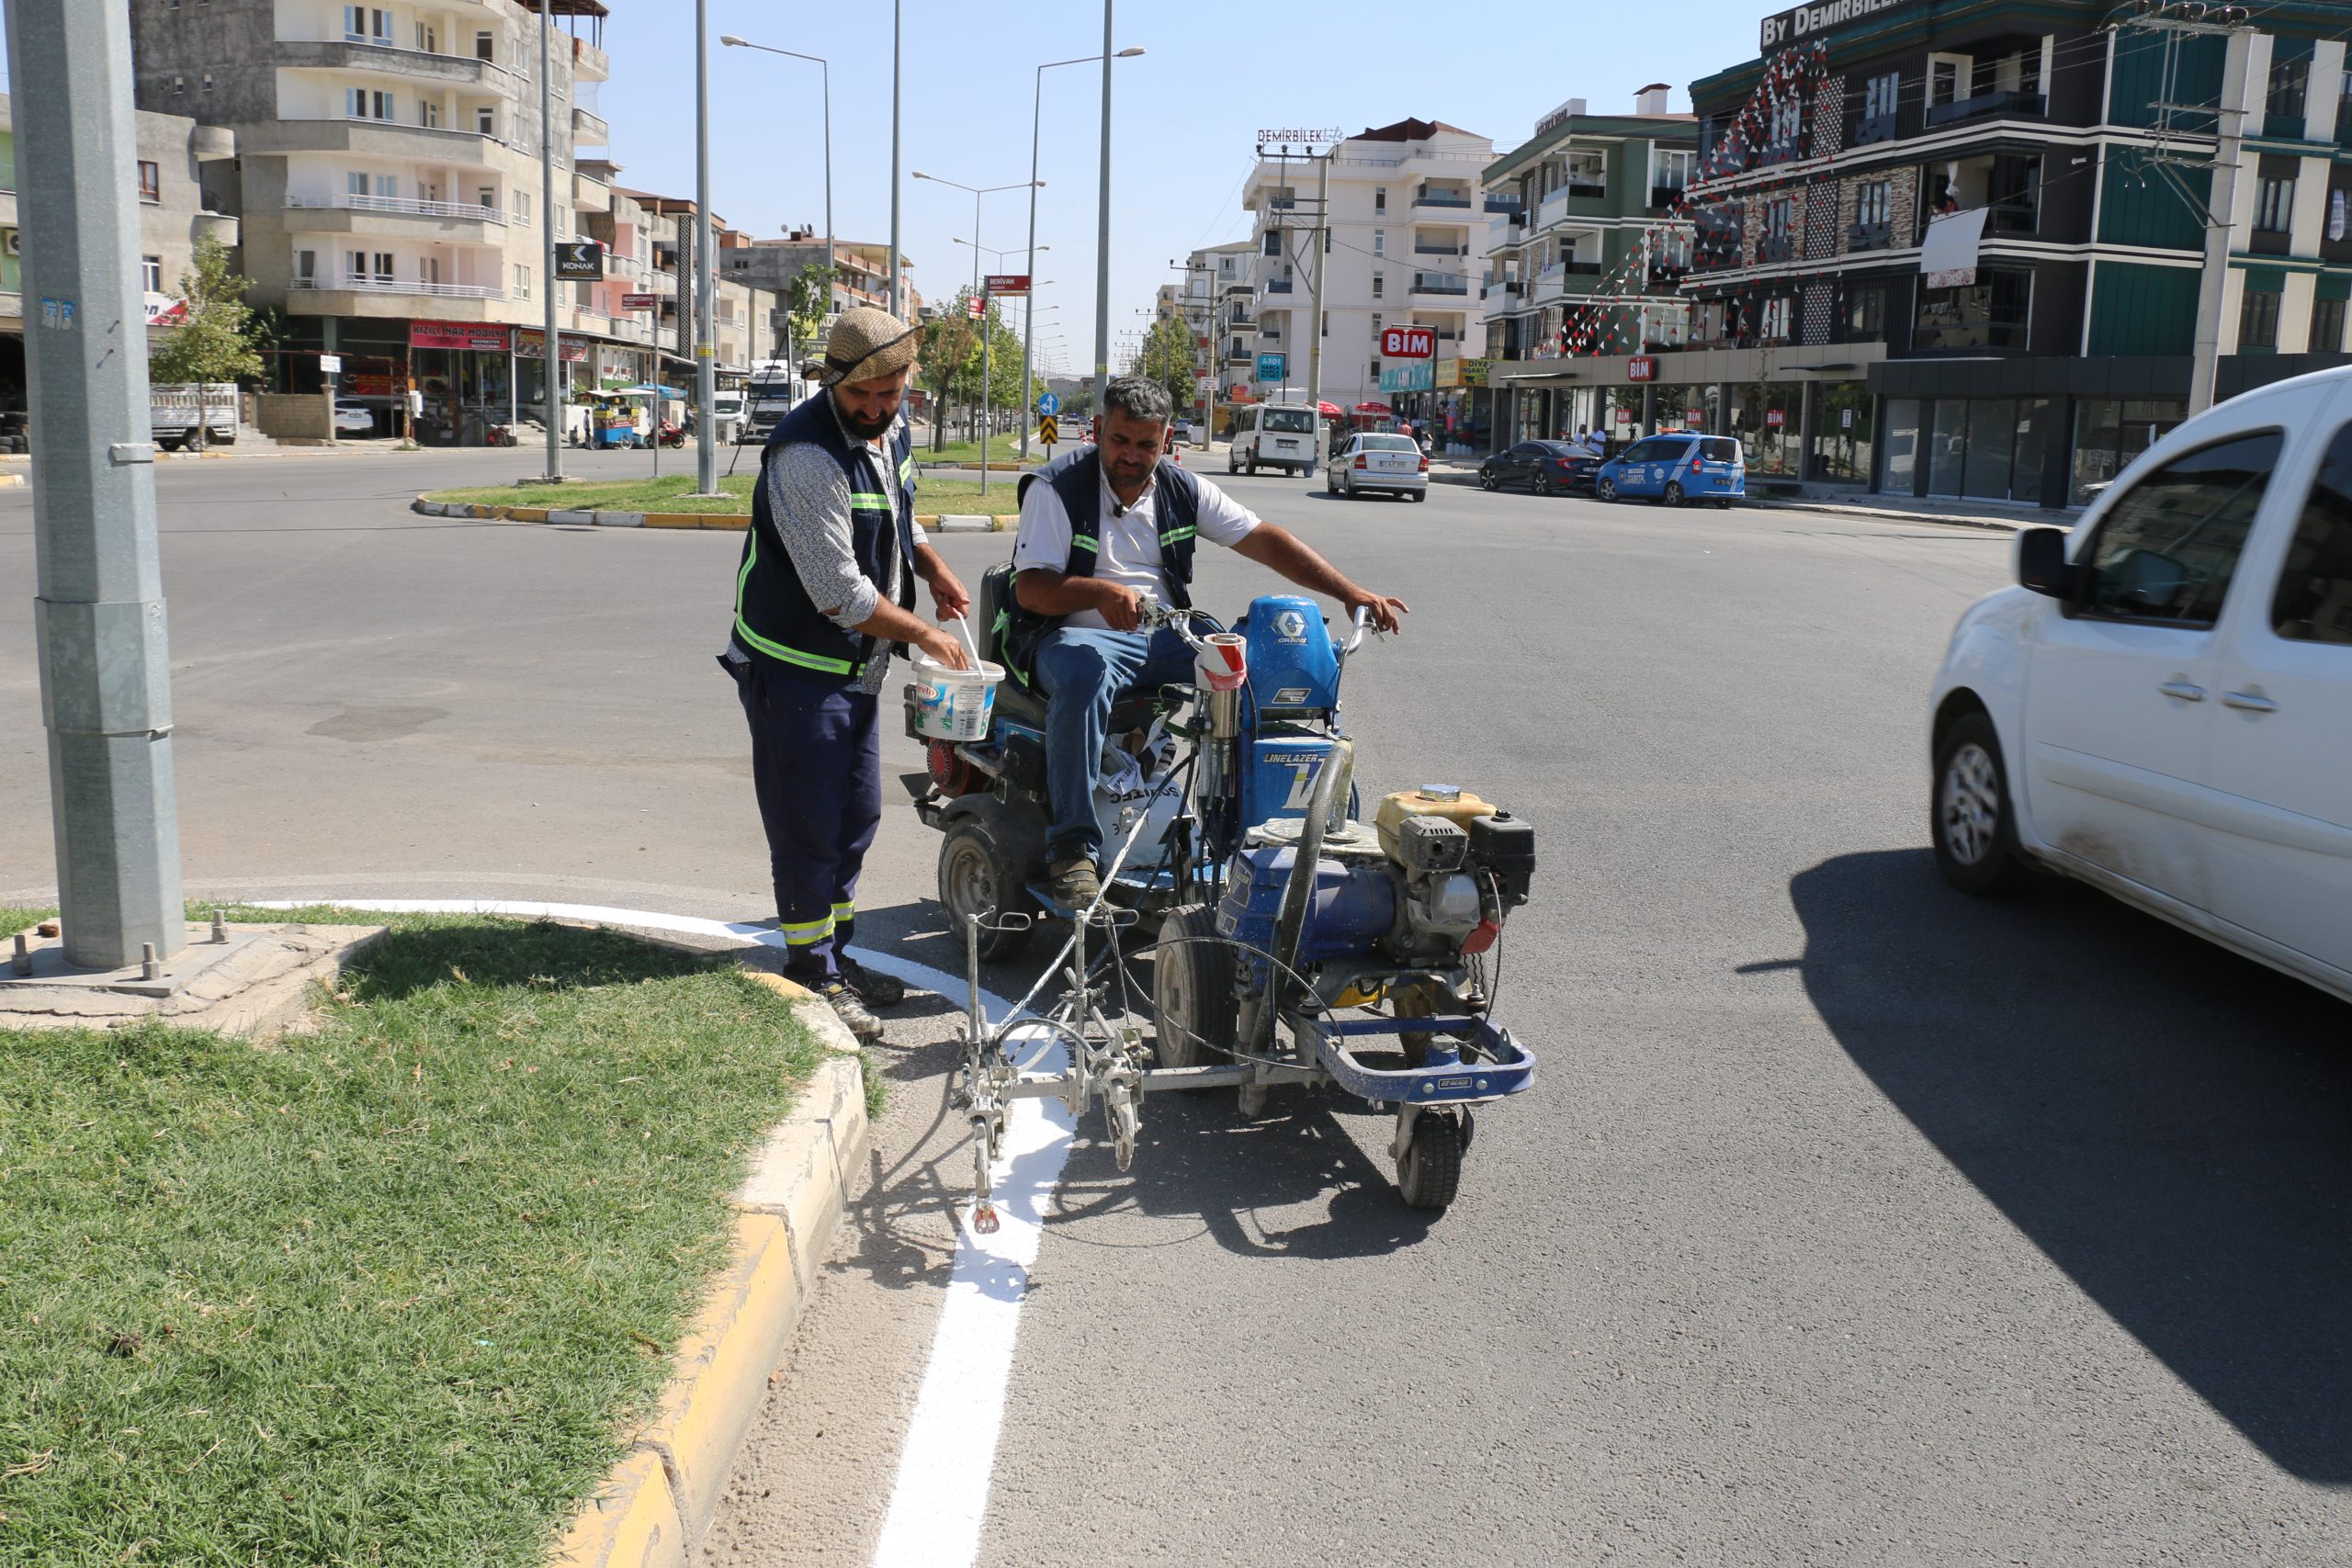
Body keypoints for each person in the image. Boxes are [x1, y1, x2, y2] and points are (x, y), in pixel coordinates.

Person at [1003, 376, 1409, 906]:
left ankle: (1246, 829)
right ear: (1099, 429)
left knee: (1254, 660)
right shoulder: (1055, 488)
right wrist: (1098, 591)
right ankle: (1073, 848)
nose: (1131, 455)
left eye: (1146, 444)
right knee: (1087, 676)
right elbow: (1031, 589)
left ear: (1166, 440)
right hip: (1076, 637)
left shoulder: (1179, 487)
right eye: (1120, 440)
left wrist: (1349, 593)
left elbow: (1264, 539)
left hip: (1166, 632)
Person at [723, 307, 971, 1043]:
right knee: (809, 828)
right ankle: (810, 971)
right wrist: (926, 632)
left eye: (891, 393)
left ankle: (834, 956)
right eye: (863, 394)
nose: (877, 408)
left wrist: (934, 568)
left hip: (852, 669)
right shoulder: (804, 456)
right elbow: (840, 594)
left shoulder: (886, 431)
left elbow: (900, 512)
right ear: (833, 378)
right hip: (797, 668)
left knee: (854, 817)